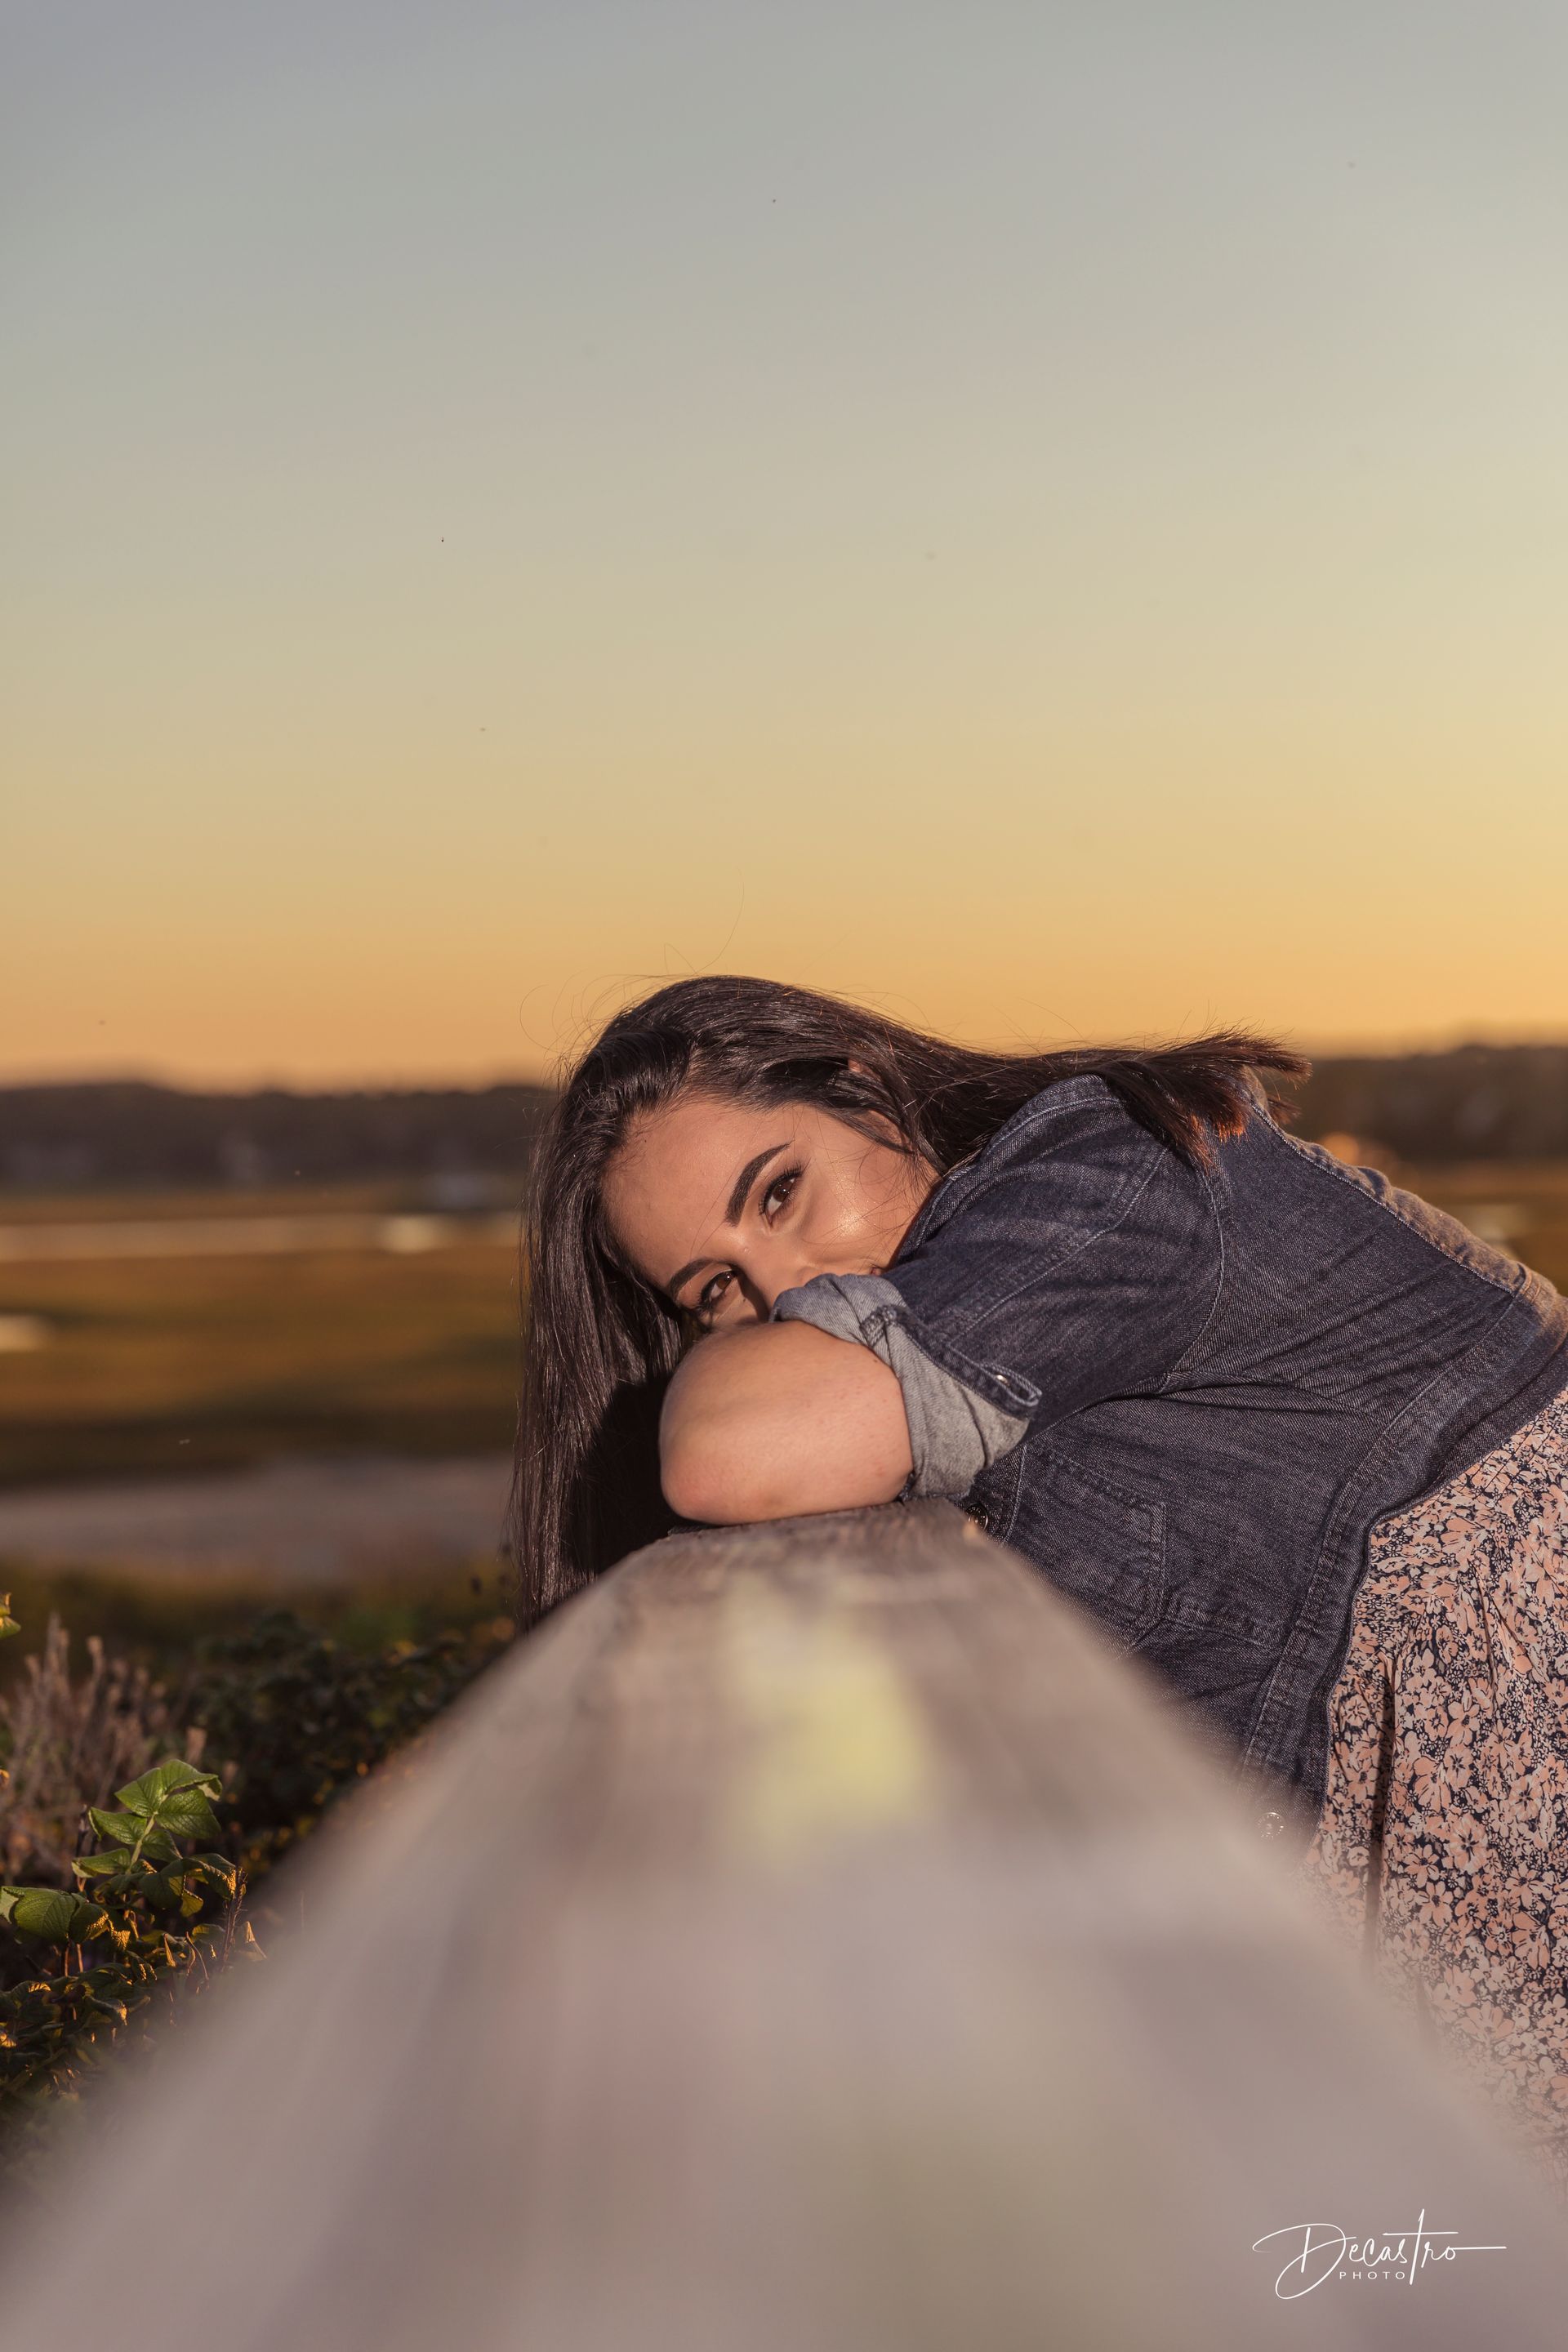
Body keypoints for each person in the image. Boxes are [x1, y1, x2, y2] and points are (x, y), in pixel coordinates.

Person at [507, 973, 1568, 2190]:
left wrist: (738, 1360)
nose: (782, 1292)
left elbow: (734, 1449)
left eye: (783, 1192)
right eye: (711, 1291)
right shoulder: (976, 1289)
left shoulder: (1104, 1181)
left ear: (865, 1087)